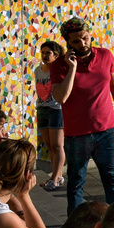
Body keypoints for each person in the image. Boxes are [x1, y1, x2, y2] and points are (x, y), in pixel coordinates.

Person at [51, 16, 114, 212]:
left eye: (85, 38)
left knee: (112, 180)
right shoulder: (59, 64)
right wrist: (71, 69)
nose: (82, 44)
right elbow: (61, 97)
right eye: (76, 41)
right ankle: (74, 227)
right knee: (76, 181)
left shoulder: (105, 55)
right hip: (77, 135)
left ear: (90, 35)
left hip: (107, 131)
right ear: (68, 42)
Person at [34, 41, 66, 191]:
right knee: (49, 146)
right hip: (42, 109)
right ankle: (57, 175)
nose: (45, 55)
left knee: (57, 145)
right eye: (43, 52)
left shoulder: (59, 70)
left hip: (56, 109)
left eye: (48, 53)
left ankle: (56, 177)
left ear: (56, 55)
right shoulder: (37, 70)